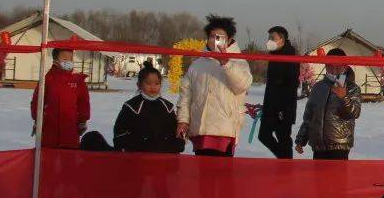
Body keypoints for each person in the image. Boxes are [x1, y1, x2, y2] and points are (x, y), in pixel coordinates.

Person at [176, 15, 253, 157]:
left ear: (229, 40)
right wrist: (183, 120)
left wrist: (226, 64)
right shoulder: (198, 64)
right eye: (212, 36)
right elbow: (185, 95)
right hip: (201, 129)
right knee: (202, 173)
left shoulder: (238, 61)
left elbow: (242, 85)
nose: (215, 41)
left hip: (225, 129)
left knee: (222, 175)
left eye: (220, 37)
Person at [295, 48, 362, 159]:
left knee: (337, 176)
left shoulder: (352, 88)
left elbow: (354, 113)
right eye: (330, 66)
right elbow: (309, 117)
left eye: (338, 67)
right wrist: (301, 140)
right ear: (326, 66)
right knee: (318, 176)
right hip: (318, 145)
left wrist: (344, 97)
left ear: (344, 67)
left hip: (339, 145)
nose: (334, 70)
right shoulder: (318, 87)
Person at [113, 66, 185, 153]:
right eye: (148, 83)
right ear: (139, 85)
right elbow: (119, 134)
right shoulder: (131, 107)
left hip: (163, 158)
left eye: (157, 83)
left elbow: (174, 133)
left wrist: (178, 142)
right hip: (137, 157)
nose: (153, 87)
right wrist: (140, 143)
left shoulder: (167, 107)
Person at [31, 48, 90, 149]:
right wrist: (37, 119)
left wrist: (83, 121)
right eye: (65, 58)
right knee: (47, 160)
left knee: (68, 160)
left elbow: (83, 103)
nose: (69, 61)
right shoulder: (48, 79)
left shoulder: (78, 81)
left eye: (71, 58)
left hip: (70, 130)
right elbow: (37, 101)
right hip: (49, 130)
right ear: (56, 60)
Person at [259, 26, 300, 159]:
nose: (269, 41)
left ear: (282, 39)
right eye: (269, 37)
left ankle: (286, 164)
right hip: (271, 105)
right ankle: (284, 160)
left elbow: (291, 85)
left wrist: (283, 108)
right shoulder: (275, 55)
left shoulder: (290, 56)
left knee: (283, 138)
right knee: (264, 135)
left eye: (272, 38)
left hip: (283, 107)